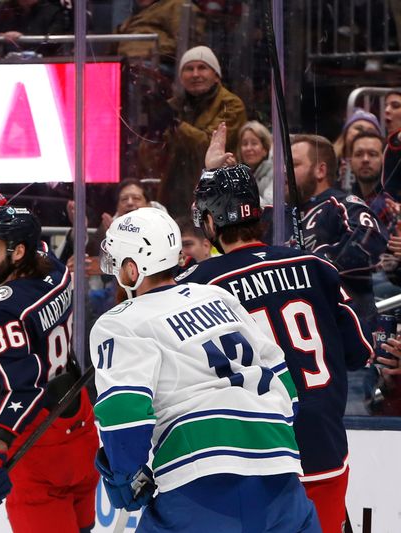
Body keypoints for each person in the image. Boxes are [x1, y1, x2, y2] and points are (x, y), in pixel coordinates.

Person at [90, 206, 320, 532]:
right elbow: (282, 375)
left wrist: (126, 476)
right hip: (279, 470)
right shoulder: (216, 296)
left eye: (117, 266)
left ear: (131, 270)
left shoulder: (120, 321)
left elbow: (124, 408)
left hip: (200, 480)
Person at [181, 161, 373, 533]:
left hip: (251, 456)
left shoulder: (198, 287)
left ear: (210, 223)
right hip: (323, 447)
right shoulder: (315, 265)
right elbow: (357, 352)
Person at [0, 205, 98, 532]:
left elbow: (22, 387)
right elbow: (32, 241)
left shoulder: (1, 308)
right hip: (79, 430)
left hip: (36, 447)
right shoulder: (57, 274)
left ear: (18, 251)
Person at [287, 133, 388, 330]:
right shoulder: (279, 216)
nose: (284, 172)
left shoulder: (343, 205)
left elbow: (370, 247)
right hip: (300, 333)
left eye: (294, 165)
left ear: (320, 170)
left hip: (349, 333)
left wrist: (310, 264)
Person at [152, 45, 247, 218]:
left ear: (217, 76)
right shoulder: (173, 106)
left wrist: (175, 124)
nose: (195, 74)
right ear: (181, 77)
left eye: (202, 67)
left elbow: (209, 146)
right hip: (175, 197)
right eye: (189, 69)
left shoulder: (231, 104)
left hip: (217, 195)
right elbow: (153, 158)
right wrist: (152, 132)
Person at [237, 120, 274, 206]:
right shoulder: (241, 172)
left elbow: (268, 207)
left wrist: (242, 185)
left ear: (265, 149)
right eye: (245, 144)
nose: (249, 148)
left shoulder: (276, 173)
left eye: (254, 143)